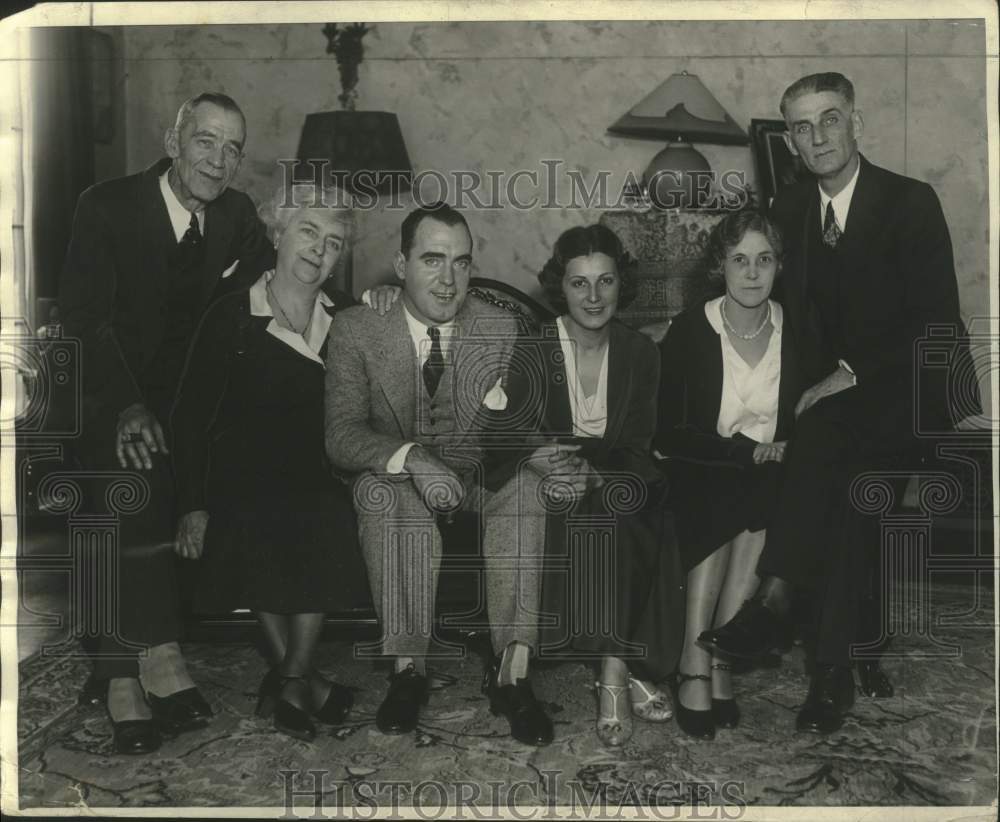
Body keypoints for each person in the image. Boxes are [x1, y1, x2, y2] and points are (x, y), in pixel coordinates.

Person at [699, 72, 979, 733]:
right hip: (837, 413)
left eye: (830, 119)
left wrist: (847, 373)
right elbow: (775, 311)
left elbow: (935, 321)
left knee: (827, 428)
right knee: (849, 476)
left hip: (909, 389)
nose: (817, 135)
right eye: (801, 126)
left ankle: (774, 596)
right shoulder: (790, 211)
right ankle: (833, 670)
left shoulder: (910, 202)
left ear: (857, 123)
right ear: (790, 141)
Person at [57, 92, 273, 754]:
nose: (220, 159)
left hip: (185, 402)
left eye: (233, 148)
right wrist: (125, 403)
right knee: (134, 462)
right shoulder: (107, 205)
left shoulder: (234, 214)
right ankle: (138, 667)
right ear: (173, 140)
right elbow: (83, 319)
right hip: (105, 391)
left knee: (194, 451)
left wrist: (360, 302)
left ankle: (141, 654)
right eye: (206, 141)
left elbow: (280, 276)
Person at [325, 203, 554, 747]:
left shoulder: (501, 328)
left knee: (526, 487)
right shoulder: (357, 328)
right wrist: (416, 459)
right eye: (432, 260)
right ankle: (409, 671)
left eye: (461, 262)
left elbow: (521, 428)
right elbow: (341, 434)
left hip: (474, 477)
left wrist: (540, 453)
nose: (448, 279)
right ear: (400, 264)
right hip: (399, 479)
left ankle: (513, 675)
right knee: (383, 492)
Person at [171, 183, 363, 742]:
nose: (317, 249)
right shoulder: (230, 315)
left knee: (324, 511)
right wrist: (192, 504)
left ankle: (292, 680)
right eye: (307, 231)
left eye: (332, 242)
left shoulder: (348, 318)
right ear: (278, 233)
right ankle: (307, 684)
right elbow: (189, 419)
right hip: (243, 475)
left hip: (321, 473)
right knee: (255, 514)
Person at [494, 224, 682, 747]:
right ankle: (621, 674)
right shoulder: (533, 348)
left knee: (627, 502)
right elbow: (505, 430)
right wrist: (543, 459)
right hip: (554, 474)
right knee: (594, 509)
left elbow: (640, 445)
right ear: (561, 287)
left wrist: (597, 474)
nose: (594, 297)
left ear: (622, 285)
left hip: (617, 470)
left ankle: (614, 676)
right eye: (579, 284)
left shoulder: (642, 354)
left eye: (605, 281)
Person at [656, 211, 800, 740]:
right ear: (721, 266)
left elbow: (813, 416)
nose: (752, 273)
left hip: (769, 477)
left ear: (779, 266)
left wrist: (776, 452)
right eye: (739, 260)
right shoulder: (693, 329)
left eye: (764, 260)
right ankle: (697, 657)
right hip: (703, 468)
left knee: (763, 495)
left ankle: (721, 658)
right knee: (727, 492)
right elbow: (669, 433)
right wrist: (745, 453)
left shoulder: (796, 330)